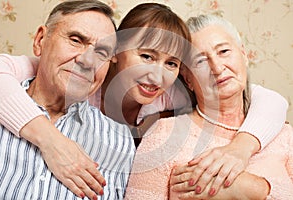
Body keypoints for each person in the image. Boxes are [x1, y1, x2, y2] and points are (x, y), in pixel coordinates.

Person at [0, 2, 289, 198]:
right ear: (117, 54)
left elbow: (266, 98)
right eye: (145, 56)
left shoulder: (173, 93)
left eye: (172, 63)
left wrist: (241, 150)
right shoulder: (68, 73)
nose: (156, 76)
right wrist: (51, 140)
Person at [124, 14, 293, 199]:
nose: (217, 67)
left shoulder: (284, 135)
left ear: (244, 55)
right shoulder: (164, 135)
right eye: (200, 61)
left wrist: (252, 189)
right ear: (188, 79)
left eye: (223, 51)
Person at [0, 0, 136, 199]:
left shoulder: (119, 141)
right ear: (40, 40)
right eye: (76, 40)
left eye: (102, 52)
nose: (87, 61)